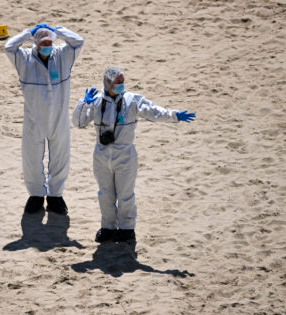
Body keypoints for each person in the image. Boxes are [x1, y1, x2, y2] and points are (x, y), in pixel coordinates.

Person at [72, 67, 196, 242]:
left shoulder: (132, 100)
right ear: (108, 84)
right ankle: (107, 227)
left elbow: (154, 112)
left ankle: (127, 228)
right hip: (101, 156)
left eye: (123, 81)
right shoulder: (97, 102)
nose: (122, 85)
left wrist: (175, 115)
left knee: (125, 194)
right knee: (105, 193)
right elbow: (78, 122)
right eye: (118, 82)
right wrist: (83, 103)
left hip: (125, 156)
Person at [4, 24, 84, 215]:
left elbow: (78, 42)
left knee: (60, 157)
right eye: (44, 43)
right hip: (34, 119)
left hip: (59, 117)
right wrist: (26, 33)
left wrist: (59, 30)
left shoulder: (62, 56)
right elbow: (8, 47)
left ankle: (56, 196)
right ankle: (36, 195)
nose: (48, 46)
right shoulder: (24, 59)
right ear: (36, 45)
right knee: (31, 158)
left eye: (50, 42)